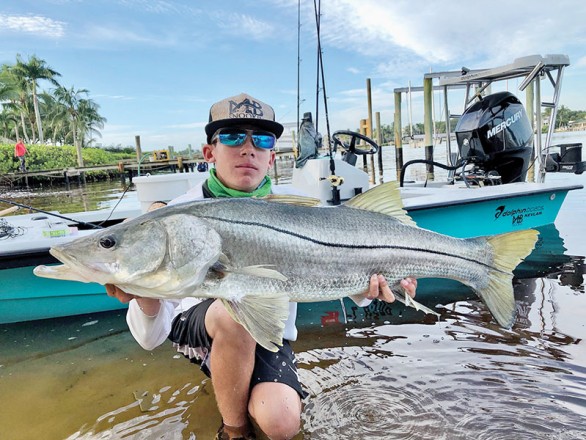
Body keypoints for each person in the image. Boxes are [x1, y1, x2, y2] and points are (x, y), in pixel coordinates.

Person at [106, 93, 417, 440]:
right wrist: (144, 295)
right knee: (232, 313)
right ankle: (233, 431)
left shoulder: (297, 211)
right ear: (210, 152)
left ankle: (241, 387)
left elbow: (333, 271)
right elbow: (151, 339)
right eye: (233, 136)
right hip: (201, 325)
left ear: (271, 157)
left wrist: (373, 287)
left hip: (267, 328)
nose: (248, 148)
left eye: (263, 139)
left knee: (281, 423)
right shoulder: (176, 215)